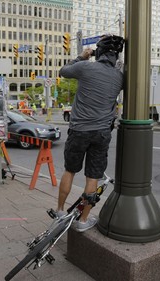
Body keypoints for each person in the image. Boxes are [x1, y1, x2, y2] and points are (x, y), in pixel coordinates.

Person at [56, 34, 124, 232]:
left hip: (78, 130)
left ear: (98, 52)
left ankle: (60, 210)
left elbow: (63, 71)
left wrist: (82, 56)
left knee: (70, 170)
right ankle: (83, 221)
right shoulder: (119, 76)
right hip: (102, 132)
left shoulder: (86, 67)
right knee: (93, 177)